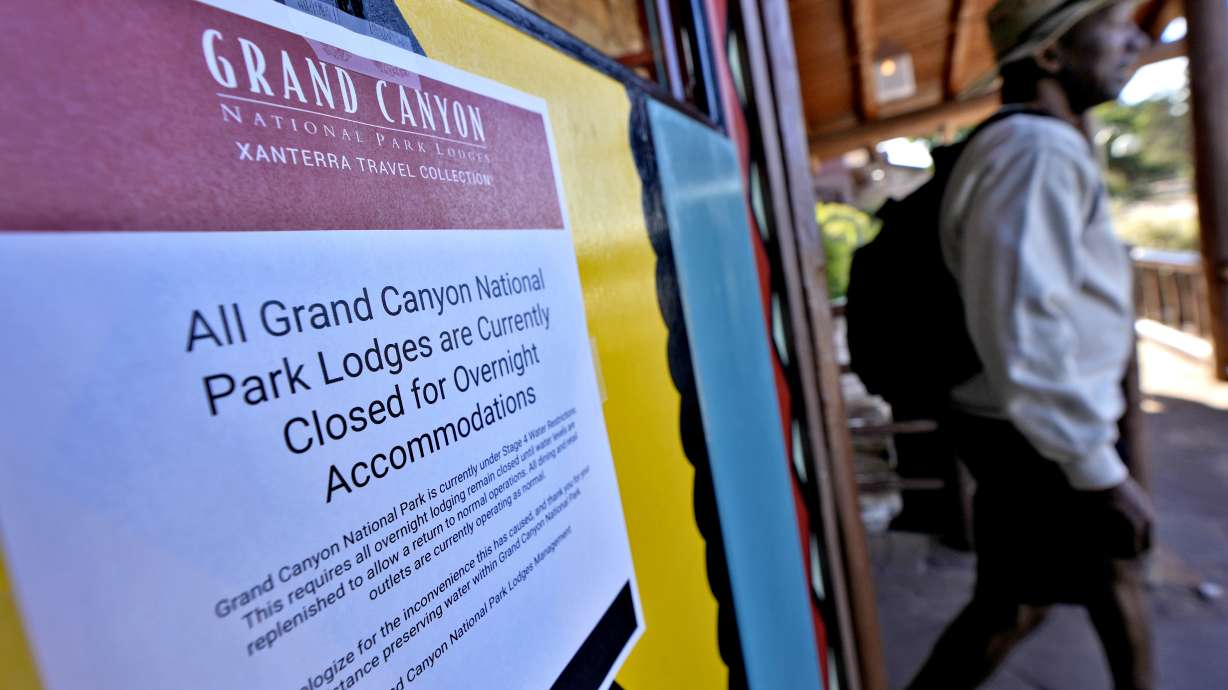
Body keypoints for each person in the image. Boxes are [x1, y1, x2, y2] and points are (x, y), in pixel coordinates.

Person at [907, 1, 1155, 688]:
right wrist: (1097, 469)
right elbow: (1023, 331)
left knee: (1038, 599)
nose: (1137, 38)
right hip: (1032, 432)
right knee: (1022, 604)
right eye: (1114, 25)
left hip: (1029, 426)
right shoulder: (1035, 151)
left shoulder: (1038, 144)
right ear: (1049, 54)